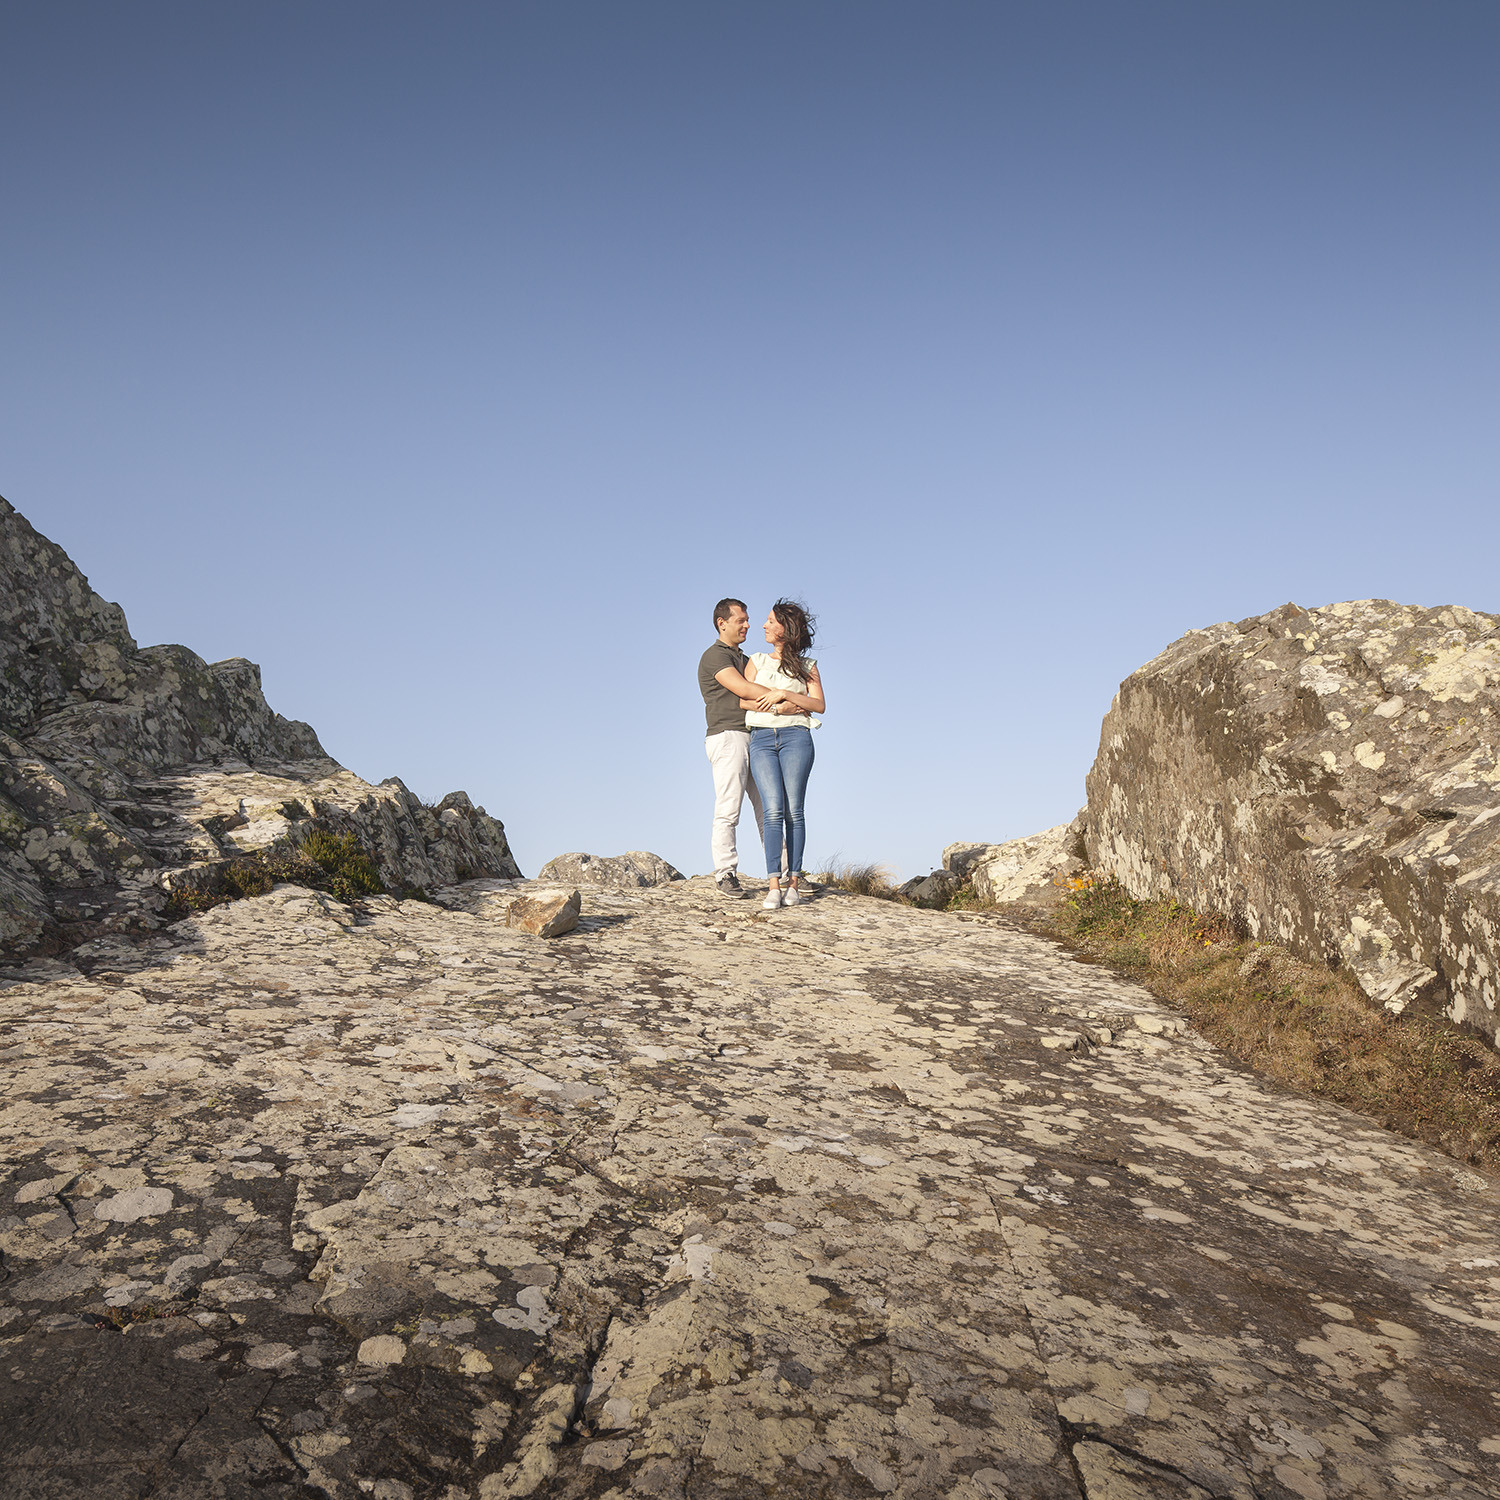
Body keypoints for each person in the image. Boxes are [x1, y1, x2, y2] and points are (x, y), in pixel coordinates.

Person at [742, 599, 825, 910]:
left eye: (770, 621)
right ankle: (773, 885)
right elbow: (743, 703)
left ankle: (794, 884)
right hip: (761, 740)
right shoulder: (756, 661)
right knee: (773, 809)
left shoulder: (808, 667)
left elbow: (818, 705)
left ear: (786, 629)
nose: (764, 626)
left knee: (795, 811)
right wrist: (782, 706)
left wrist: (786, 694)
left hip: (796, 739)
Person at [698, 598, 767, 897]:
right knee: (729, 808)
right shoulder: (714, 657)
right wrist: (780, 695)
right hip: (728, 736)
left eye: (747, 619)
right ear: (721, 623)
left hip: (754, 736)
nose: (747, 624)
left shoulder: (746, 658)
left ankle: (788, 872)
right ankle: (725, 873)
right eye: (741, 620)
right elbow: (744, 689)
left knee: (770, 809)